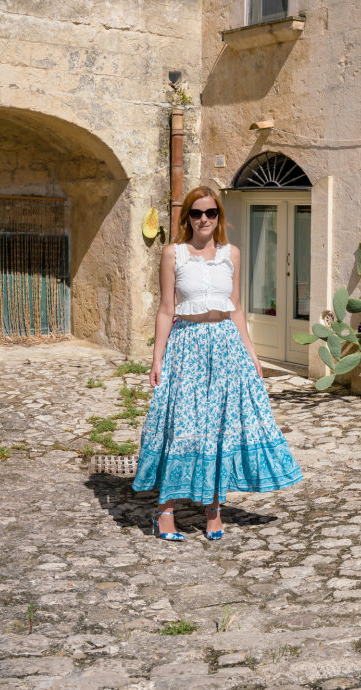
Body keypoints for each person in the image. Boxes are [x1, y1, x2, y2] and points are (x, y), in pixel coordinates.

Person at [133, 186, 303, 541]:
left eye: (210, 213)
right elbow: (167, 309)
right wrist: (157, 359)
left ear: (219, 217)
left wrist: (252, 354)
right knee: (182, 425)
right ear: (187, 219)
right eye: (196, 213)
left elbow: (236, 306)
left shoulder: (232, 254)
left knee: (221, 428)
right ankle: (164, 514)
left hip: (226, 347)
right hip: (187, 348)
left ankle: (214, 511)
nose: (204, 219)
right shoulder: (173, 254)